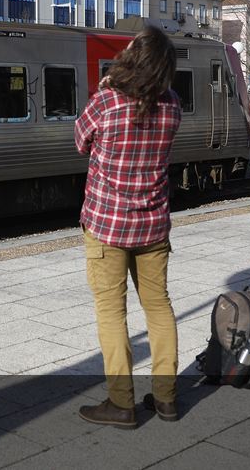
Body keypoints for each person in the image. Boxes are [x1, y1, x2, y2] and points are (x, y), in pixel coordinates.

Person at [74, 26, 182, 429]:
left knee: (111, 313)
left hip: (107, 227)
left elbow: (80, 141)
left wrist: (106, 86)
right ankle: (167, 399)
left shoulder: (106, 101)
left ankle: (121, 404)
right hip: (153, 226)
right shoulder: (172, 107)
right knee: (159, 307)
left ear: (134, 59)